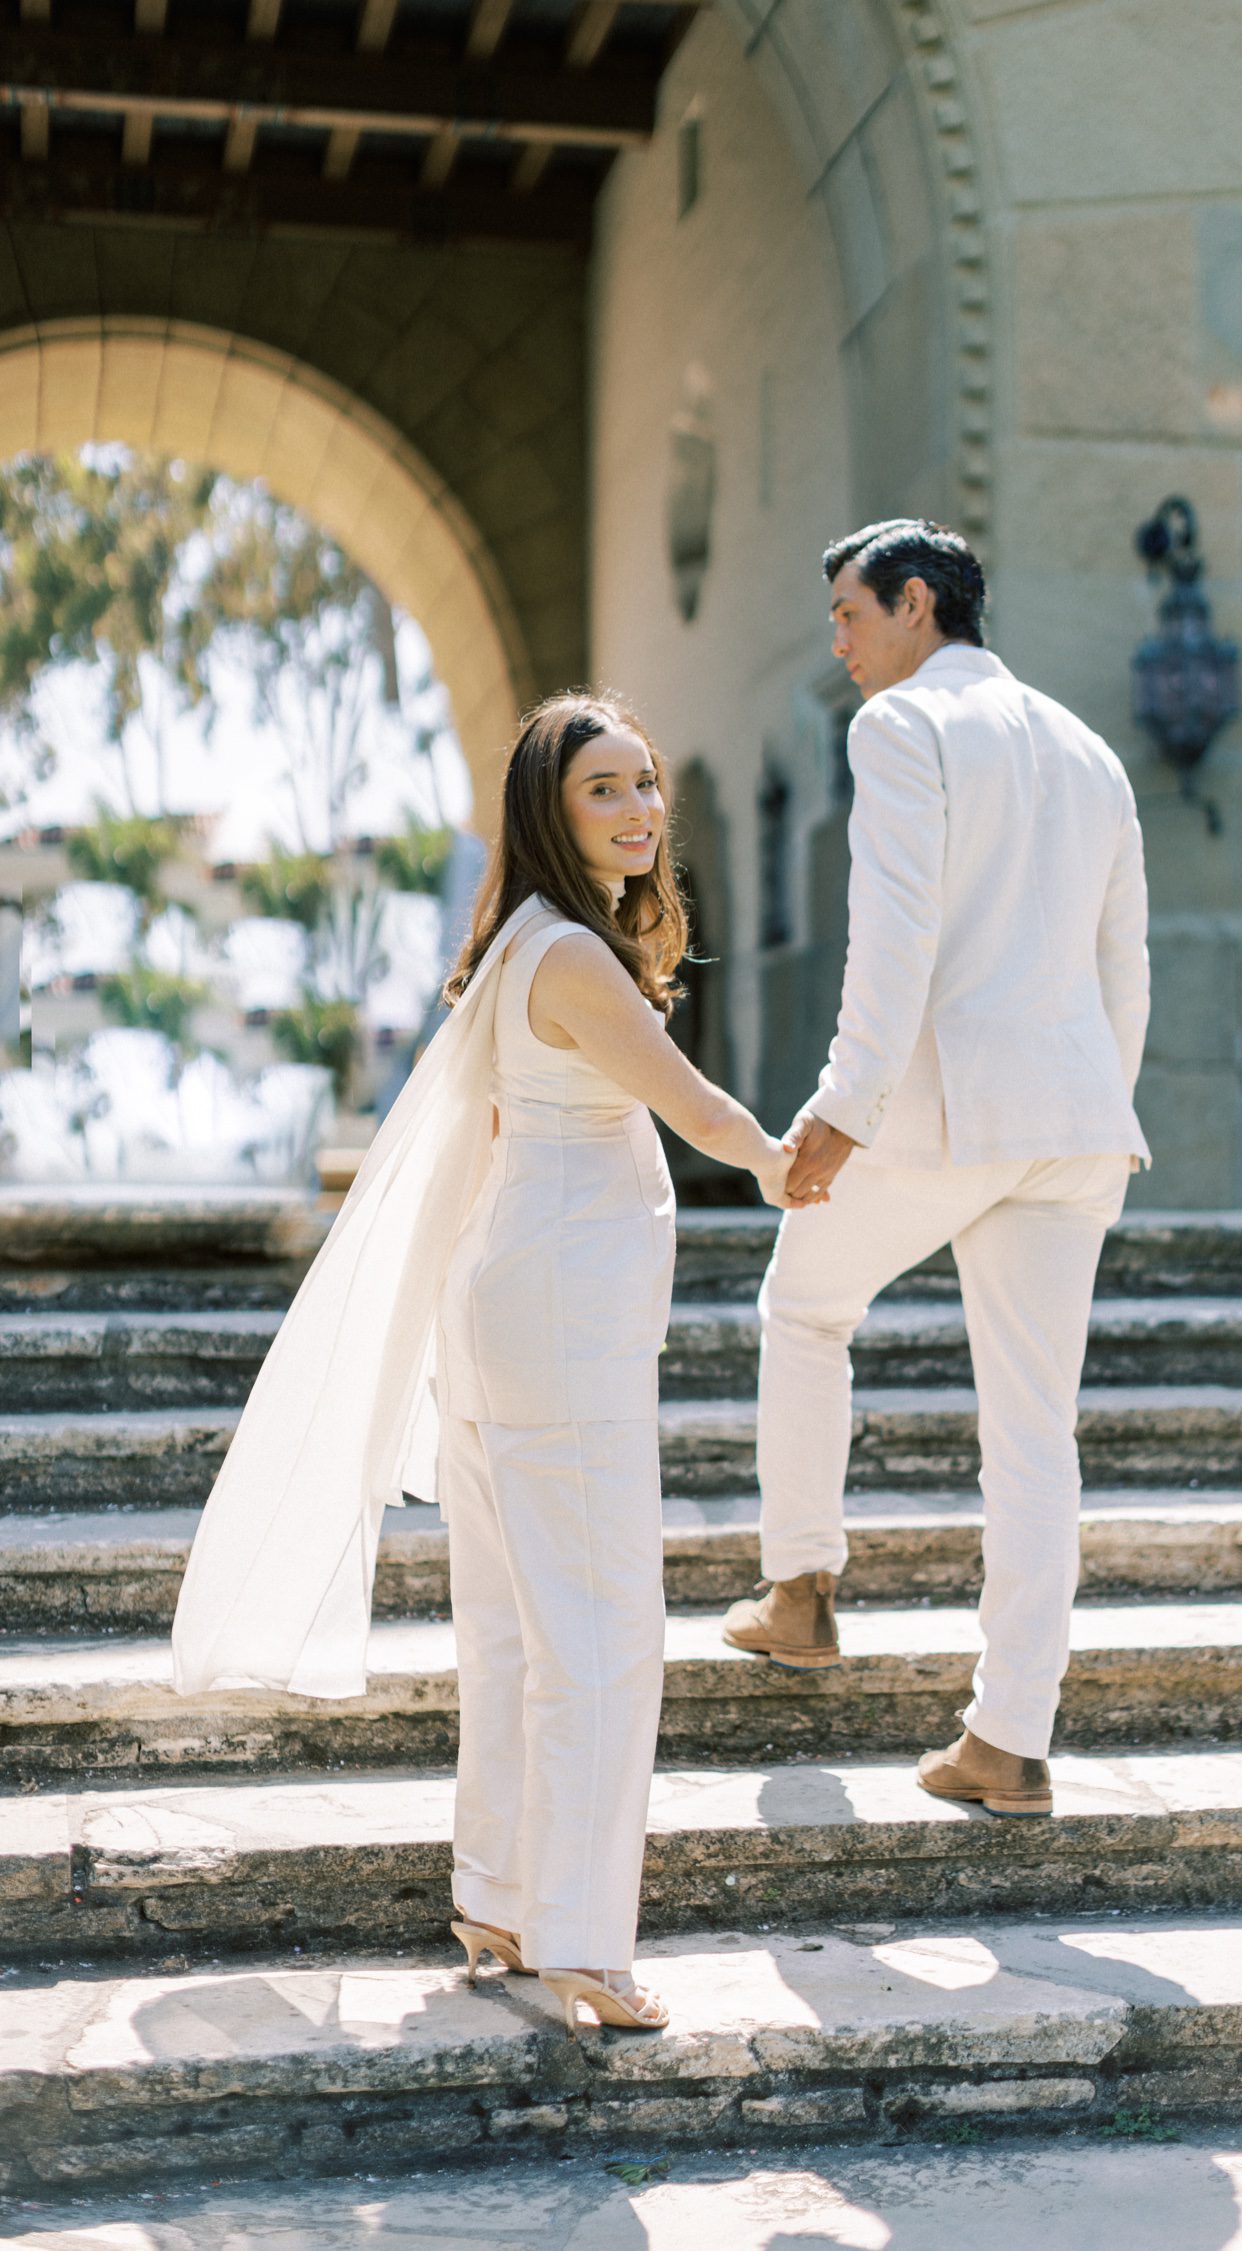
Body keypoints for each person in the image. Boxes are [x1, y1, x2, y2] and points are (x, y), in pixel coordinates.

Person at [173, 692, 792, 2037]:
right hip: (560, 1315)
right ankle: (580, 1940)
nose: (638, 812)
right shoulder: (571, 957)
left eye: (644, 785)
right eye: (603, 793)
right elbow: (697, 1108)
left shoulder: (522, 943)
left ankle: (504, 1895)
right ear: (549, 816)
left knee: (516, 1622)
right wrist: (798, 1164)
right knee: (606, 1631)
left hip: (522, 1300)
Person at [721, 519, 1151, 1818]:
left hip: (950, 1104)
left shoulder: (902, 728)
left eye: (850, 615)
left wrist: (841, 1109)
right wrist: (1101, 1102)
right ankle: (1009, 1741)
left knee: (803, 1309)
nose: (839, 644)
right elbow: (1123, 964)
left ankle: (800, 1591)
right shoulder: (1092, 752)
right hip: (1076, 1121)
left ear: (917, 605)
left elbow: (892, 936)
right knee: (1035, 1434)